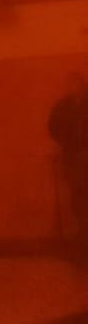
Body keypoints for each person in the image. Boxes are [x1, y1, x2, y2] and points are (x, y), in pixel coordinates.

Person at [49, 72, 88, 248]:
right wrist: (65, 142)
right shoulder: (63, 107)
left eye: (78, 84)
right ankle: (83, 233)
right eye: (72, 85)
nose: (75, 88)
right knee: (77, 196)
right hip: (73, 157)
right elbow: (53, 126)